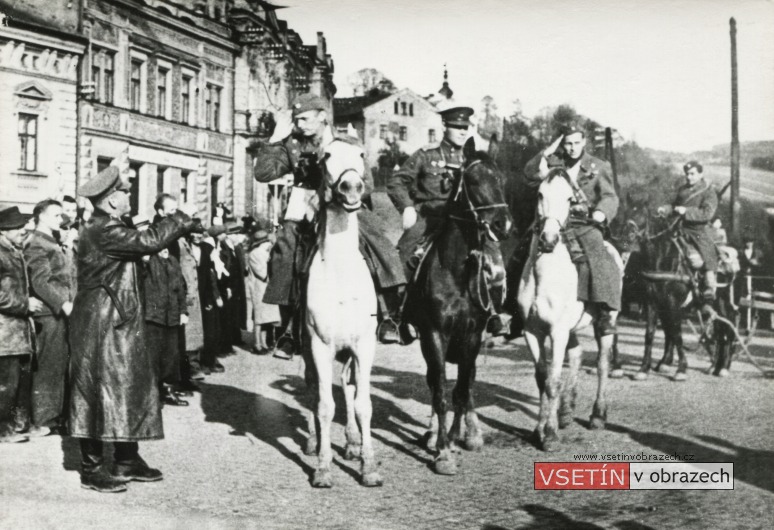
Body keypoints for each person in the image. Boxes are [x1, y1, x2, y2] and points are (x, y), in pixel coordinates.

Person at [68, 166, 197, 493]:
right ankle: (92, 468)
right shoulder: (102, 230)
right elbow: (149, 240)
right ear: (111, 201)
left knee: (129, 388)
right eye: (125, 191)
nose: (130, 196)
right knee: (97, 391)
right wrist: (181, 217)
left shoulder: (109, 226)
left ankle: (127, 458)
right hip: (101, 322)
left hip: (116, 319)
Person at [251, 92, 406, 350]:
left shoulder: (346, 141)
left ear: (323, 116)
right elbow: (263, 173)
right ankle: (288, 330)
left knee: (377, 241)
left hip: (344, 203)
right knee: (285, 251)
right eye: (297, 120)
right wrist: (275, 140)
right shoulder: (293, 145)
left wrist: (341, 196)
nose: (301, 125)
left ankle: (387, 316)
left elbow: (367, 182)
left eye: (306, 119)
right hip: (304, 205)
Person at [387, 105, 508, 341]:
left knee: (494, 260)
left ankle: (494, 314)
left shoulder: (471, 157)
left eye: (465, 128)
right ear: (445, 127)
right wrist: (408, 207)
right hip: (431, 216)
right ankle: (395, 317)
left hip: (465, 220)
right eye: (457, 127)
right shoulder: (426, 154)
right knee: (402, 258)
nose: (462, 132)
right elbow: (396, 182)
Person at [521, 123, 621, 342]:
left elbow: (610, 196)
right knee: (520, 251)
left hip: (582, 223)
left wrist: (601, 214)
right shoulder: (554, 163)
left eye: (577, 143)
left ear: (584, 142)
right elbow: (528, 175)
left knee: (598, 255)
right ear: (562, 143)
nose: (573, 148)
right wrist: (546, 152)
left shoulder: (599, 166)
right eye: (568, 143)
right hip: (552, 221)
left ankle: (604, 312)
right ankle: (512, 309)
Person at [24, 199, 77, 437]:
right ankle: (44, 419)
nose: (61, 219)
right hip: (49, 313)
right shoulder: (37, 243)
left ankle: (54, 416)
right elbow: (40, 282)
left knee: (58, 364)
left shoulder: (52, 241)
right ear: (42, 217)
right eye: (56, 216)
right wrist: (63, 303)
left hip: (59, 312)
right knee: (48, 366)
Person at [0, 206, 45, 444]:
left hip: (19, 331)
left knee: (22, 380)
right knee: (6, 385)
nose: (22, 230)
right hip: (5, 331)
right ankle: (2, 429)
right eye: (17, 228)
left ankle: (21, 425)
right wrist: (24, 304)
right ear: (3, 230)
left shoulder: (14, 251)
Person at [144, 194, 191, 407]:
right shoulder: (152, 235)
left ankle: (169, 389)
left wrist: (182, 309)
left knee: (171, 352)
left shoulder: (174, 240)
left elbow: (177, 279)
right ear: (161, 213)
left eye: (176, 209)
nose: (175, 214)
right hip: (154, 309)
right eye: (170, 210)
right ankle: (152, 393)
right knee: (153, 353)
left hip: (171, 308)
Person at [657, 160, 718, 305]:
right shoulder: (683, 190)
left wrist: (687, 211)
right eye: (687, 174)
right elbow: (674, 206)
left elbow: (707, 213)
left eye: (692, 174)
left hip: (697, 230)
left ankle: (709, 284)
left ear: (700, 174)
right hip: (678, 228)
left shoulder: (708, 191)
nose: (689, 177)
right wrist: (665, 209)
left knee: (707, 249)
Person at [246, 219, 280, 355]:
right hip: (259, 288)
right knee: (259, 318)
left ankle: (264, 342)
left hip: (267, 288)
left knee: (266, 318)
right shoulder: (255, 254)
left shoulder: (264, 253)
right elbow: (263, 273)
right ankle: (257, 343)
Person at [198, 225, 226, 374]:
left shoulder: (211, 248)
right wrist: (215, 296)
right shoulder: (208, 249)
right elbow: (211, 277)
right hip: (206, 296)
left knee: (214, 330)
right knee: (209, 331)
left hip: (208, 295)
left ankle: (210, 359)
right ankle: (207, 361)